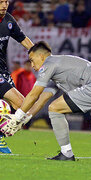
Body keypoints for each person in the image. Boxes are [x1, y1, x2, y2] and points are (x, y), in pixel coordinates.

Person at [0, 0, 33, 153]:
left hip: (4, 71)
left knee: (21, 106)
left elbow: (23, 38)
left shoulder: (8, 20)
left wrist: (37, 54)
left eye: (6, 1)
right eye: (0, 2)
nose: (4, 5)